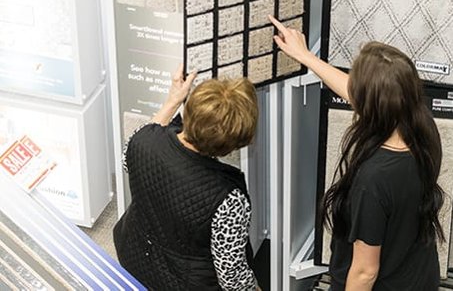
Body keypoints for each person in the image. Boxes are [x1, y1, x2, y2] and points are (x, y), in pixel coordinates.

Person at [269, 15, 444, 291]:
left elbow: (364, 272)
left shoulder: (372, 181)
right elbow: (362, 94)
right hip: (418, 278)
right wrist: (305, 57)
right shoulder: (423, 128)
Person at [113, 64, 261, 291]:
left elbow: (128, 159)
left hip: (135, 255)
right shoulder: (228, 199)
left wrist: (172, 100)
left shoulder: (142, 142)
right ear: (233, 144)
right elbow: (231, 277)